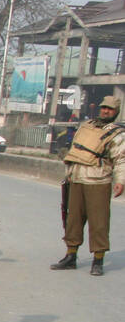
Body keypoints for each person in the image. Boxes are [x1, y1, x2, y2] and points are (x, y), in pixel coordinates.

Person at [52, 95, 125, 276]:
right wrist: (69, 175)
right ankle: (71, 256)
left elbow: (121, 159)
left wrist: (121, 181)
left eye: (110, 109)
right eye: (103, 107)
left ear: (116, 112)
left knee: (99, 223)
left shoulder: (117, 134)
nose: (105, 111)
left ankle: (98, 260)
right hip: (76, 179)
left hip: (98, 181)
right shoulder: (86, 127)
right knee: (73, 221)